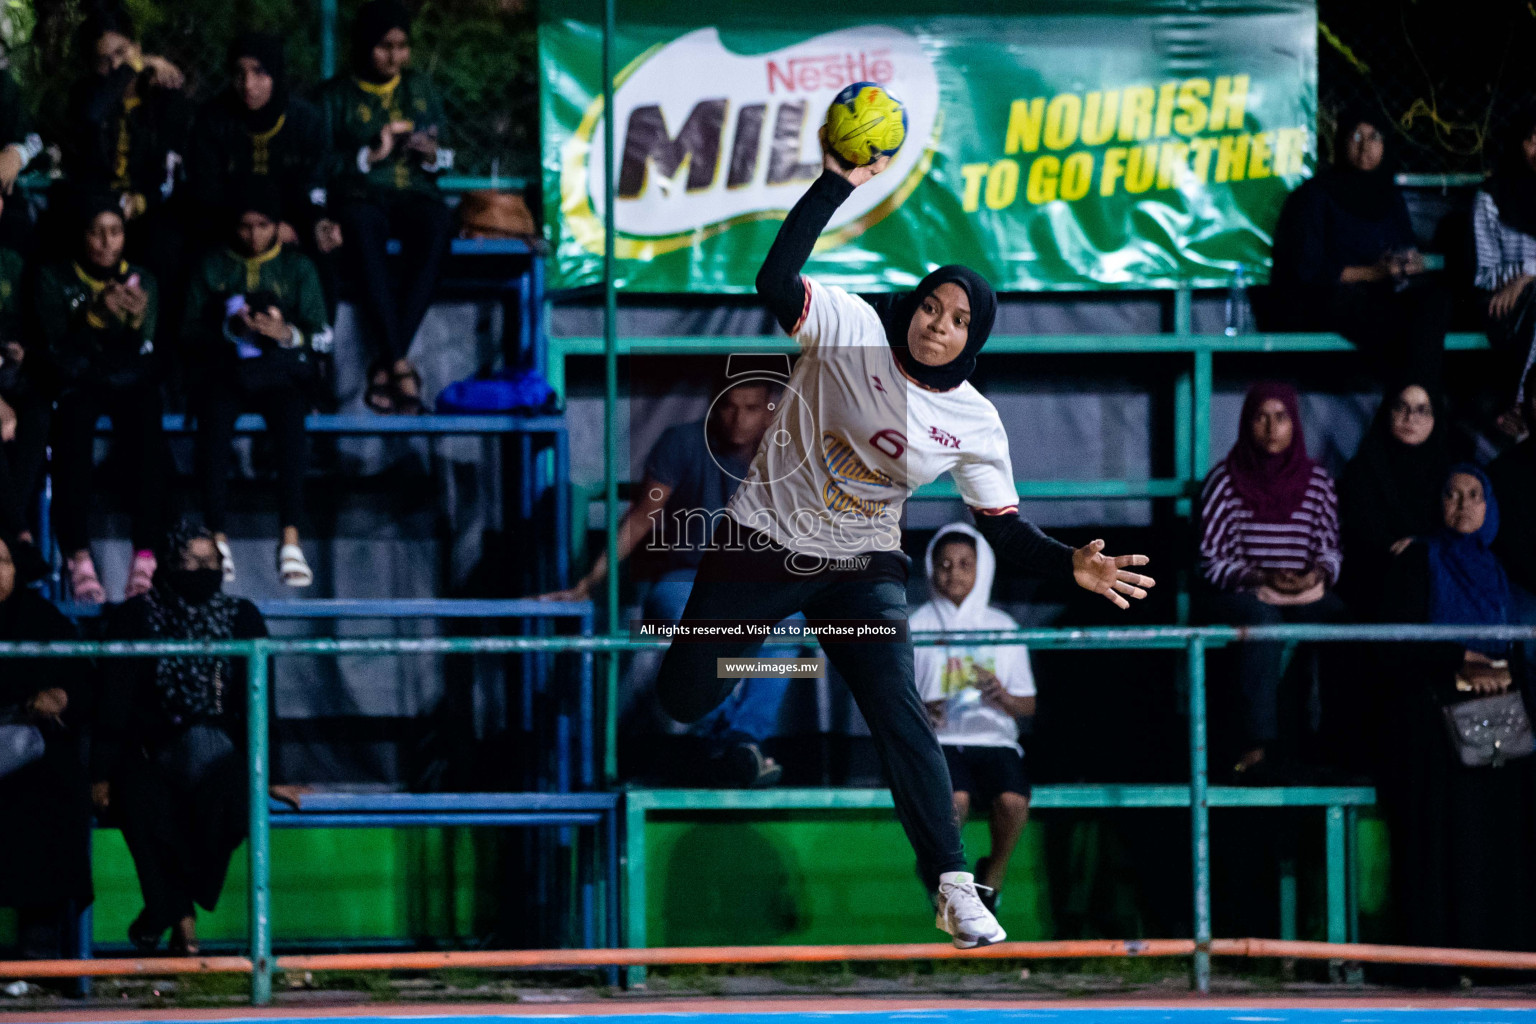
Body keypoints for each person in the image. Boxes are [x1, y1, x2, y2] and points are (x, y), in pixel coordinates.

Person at [650, 137, 1155, 949]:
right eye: (932, 307)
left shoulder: (975, 422)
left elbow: (1004, 530)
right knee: (682, 697)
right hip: (763, 545)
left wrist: (1070, 562)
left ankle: (955, 885)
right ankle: (732, 683)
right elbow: (775, 281)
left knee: (898, 713)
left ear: (972, 338)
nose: (938, 325)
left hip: (861, 566)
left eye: (958, 321)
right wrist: (832, 184)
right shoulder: (851, 326)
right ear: (915, 303)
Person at [542, 380, 793, 786]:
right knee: (686, 618)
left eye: (750, 408)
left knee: (791, 623)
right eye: (729, 406)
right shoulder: (683, 442)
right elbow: (643, 516)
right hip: (687, 577)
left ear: (769, 409)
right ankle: (729, 740)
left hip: (755, 579)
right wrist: (589, 582)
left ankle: (742, 738)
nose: (738, 419)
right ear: (714, 403)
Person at [1377, 465, 1536, 956]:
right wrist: (1460, 659)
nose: (1464, 505)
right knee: (1446, 833)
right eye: (1452, 494)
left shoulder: (1502, 573)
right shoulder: (1417, 560)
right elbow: (1398, 644)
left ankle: (1503, 956)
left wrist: (1501, 672)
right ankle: (1443, 958)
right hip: (1437, 717)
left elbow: (1516, 646)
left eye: (1475, 495)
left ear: (1490, 507)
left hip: (1501, 715)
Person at [92, 523, 269, 956]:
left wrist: (270, 773)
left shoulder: (241, 616)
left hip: (220, 752)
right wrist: (100, 773)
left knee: (231, 800)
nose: (204, 569)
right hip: (150, 751)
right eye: (192, 561)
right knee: (142, 802)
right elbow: (115, 702)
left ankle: (163, 914)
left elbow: (261, 705)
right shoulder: (136, 616)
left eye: (212, 562)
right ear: (169, 565)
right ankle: (175, 923)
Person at [1198, 381, 1347, 783]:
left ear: (1294, 424)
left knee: (1344, 623)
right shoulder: (1225, 482)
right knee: (1263, 623)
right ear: (1247, 423)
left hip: (1304, 589)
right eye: (1261, 417)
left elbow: (1331, 550)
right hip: (1247, 591)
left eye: (1281, 417)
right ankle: (1256, 744)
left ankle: (1339, 741)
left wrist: (1314, 574)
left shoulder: (1316, 481)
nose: (1271, 427)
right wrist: (1259, 575)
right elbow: (1209, 561)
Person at [184, 180, 329, 587]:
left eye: (263, 225)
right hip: (224, 374)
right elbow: (186, 333)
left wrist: (286, 334)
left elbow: (322, 334)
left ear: (277, 225)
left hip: (279, 375)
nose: (253, 235)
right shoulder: (212, 265)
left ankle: (290, 540)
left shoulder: (298, 267)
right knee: (211, 425)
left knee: (291, 423)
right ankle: (217, 538)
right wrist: (228, 329)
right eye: (245, 226)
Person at [317, 0, 454, 415]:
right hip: (362, 195)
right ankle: (400, 366)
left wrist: (431, 154)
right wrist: (370, 155)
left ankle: (389, 362)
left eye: (401, 46)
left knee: (438, 226)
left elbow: (448, 155)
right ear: (364, 46)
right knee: (362, 229)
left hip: (414, 194)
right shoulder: (335, 96)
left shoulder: (421, 88)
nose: (394, 56)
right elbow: (319, 162)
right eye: (383, 46)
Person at [39, 193, 166, 603]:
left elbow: (148, 350)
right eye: (96, 233)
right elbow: (55, 351)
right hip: (79, 380)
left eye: (114, 232)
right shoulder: (56, 277)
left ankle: (145, 555)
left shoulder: (143, 279)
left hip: (128, 380)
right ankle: (78, 557)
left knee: (149, 430)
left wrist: (135, 322)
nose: (106, 242)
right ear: (82, 236)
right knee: (71, 432)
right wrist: (94, 318)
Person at [1270, 108, 1448, 385]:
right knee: (1400, 327)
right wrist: (1373, 273)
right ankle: (1412, 402)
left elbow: (1404, 246)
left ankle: (1417, 402)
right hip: (1331, 300)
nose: (1365, 146)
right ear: (1342, 140)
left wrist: (1409, 262)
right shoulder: (1316, 195)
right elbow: (1307, 272)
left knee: (1434, 303)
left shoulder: (1389, 196)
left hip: (1384, 294)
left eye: (1374, 137)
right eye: (1356, 136)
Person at [913, 525, 1035, 914]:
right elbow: (891, 699)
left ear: (983, 569)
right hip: (939, 741)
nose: (954, 572)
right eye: (944, 564)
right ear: (931, 569)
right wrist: (923, 709)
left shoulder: (1003, 627)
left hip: (994, 738)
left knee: (1013, 801)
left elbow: (1028, 705)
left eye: (966, 564)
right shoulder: (914, 625)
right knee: (954, 800)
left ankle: (992, 877)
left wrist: (1002, 695)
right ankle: (942, 879)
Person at [187, 32, 342, 314]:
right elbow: (206, 190)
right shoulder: (213, 120)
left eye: (259, 73)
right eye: (239, 73)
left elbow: (314, 181)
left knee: (323, 251)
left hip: (293, 220)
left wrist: (318, 221)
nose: (247, 85)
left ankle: (318, 345)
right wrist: (265, 227)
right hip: (228, 221)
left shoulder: (305, 121)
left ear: (276, 73)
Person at [60, 4, 189, 340]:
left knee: (167, 246)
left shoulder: (165, 98)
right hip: (97, 205)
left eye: (122, 53)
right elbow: (90, 121)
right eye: (105, 60)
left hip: (150, 206)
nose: (115, 65)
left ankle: (156, 347)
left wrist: (143, 200)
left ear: (138, 46)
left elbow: (172, 167)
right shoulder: (86, 96)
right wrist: (130, 69)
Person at [0, 533, 94, 961]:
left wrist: (61, 696)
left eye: (2, 562)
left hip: (28, 750)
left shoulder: (41, 619)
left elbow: (80, 682)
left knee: (56, 787)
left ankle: (37, 948)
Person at [1339, 381, 1450, 619]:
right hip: (1369, 583)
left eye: (1422, 410)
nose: (1411, 418)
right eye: (1401, 407)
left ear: (1436, 417)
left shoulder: (1450, 473)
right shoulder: (1362, 469)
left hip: (1434, 587)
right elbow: (1360, 536)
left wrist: (1423, 545)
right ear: (1387, 411)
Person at [1474, 105, 1536, 436]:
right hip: (1505, 307)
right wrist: (1524, 282)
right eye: (1533, 139)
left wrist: (1528, 273)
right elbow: (1485, 274)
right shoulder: (1492, 196)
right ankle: (1524, 405)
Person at [0, 191, 49, 580]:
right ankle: (20, 537)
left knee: (36, 414)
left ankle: (14, 535)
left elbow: (36, 328)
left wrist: (19, 356)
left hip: (13, 379)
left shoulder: (17, 258)